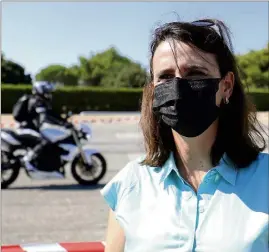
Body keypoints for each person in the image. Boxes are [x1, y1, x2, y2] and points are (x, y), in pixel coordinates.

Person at [100, 18, 269, 252]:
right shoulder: (130, 184)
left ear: (226, 86)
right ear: (153, 91)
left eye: (195, 73)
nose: (178, 87)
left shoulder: (265, 179)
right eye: (166, 76)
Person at [17, 81, 72, 173]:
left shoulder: (41, 101)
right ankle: (27, 160)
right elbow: (45, 115)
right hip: (28, 128)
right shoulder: (37, 101)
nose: (49, 93)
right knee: (45, 141)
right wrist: (62, 123)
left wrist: (63, 121)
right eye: (47, 91)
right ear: (40, 90)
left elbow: (50, 113)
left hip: (32, 128)